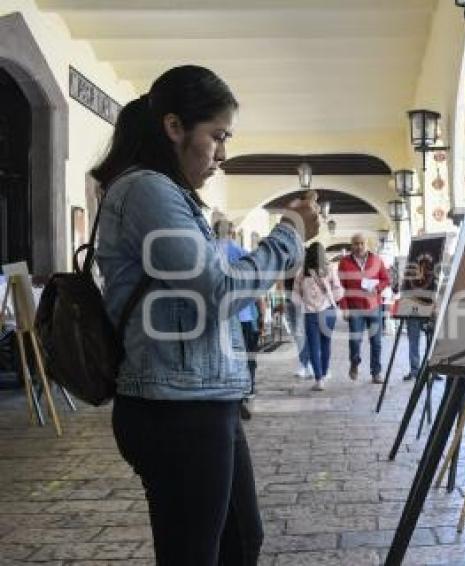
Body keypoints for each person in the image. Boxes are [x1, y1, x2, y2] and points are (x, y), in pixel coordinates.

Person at [92, 65, 320, 565]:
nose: (222, 155)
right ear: (174, 127)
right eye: (216, 136)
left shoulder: (168, 194)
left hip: (200, 397)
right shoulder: (147, 190)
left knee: (239, 543)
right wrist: (289, 233)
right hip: (175, 408)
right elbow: (214, 292)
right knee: (195, 554)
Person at [213, 219, 264, 419]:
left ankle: (230, 396)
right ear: (233, 233)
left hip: (220, 315)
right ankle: (246, 390)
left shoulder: (208, 250)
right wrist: (261, 311)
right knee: (248, 356)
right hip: (244, 314)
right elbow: (254, 283)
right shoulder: (241, 251)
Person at [337, 233, 390, 384]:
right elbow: (340, 287)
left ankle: (376, 372)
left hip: (374, 306)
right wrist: (344, 308)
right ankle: (354, 362)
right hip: (354, 308)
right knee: (355, 341)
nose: (359, 246)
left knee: (376, 342)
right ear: (351, 245)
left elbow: (386, 279)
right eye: (356, 243)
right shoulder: (344, 262)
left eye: (362, 243)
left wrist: (378, 288)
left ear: (367, 244)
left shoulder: (377, 260)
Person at [293, 242, 343, 391]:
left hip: (310, 314)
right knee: (326, 343)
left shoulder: (302, 272)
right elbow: (338, 290)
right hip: (328, 312)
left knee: (314, 346)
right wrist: (330, 300)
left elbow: (295, 295)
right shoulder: (330, 269)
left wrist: (304, 302)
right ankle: (325, 372)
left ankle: (319, 379)